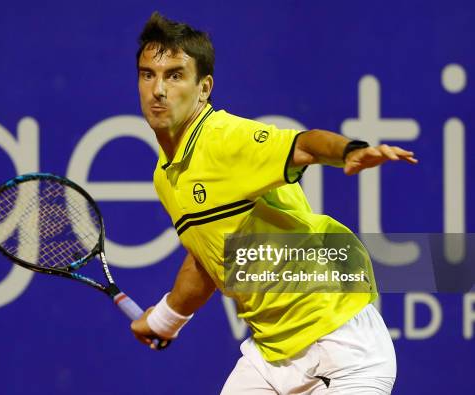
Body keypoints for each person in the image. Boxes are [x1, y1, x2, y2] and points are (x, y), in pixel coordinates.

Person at [130, 12, 417, 394]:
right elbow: (211, 256)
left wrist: (349, 150)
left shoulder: (225, 138)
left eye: (175, 75)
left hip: (344, 351)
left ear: (204, 87)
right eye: (148, 74)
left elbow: (304, 143)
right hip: (271, 356)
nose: (158, 90)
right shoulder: (165, 176)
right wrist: (167, 318)